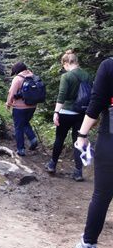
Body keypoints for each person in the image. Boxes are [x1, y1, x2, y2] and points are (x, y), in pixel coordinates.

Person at [73, 57, 113, 248]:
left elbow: (96, 103)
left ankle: (88, 245)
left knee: (102, 195)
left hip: (110, 140)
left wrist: (82, 135)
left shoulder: (109, 66)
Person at [45, 50, 91, 181]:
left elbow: (62, 96)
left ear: (66, 63)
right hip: (82, 113)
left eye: (63, 65)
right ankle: (78, 172)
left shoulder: (66, 76)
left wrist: (56, 112)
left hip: (66, 113)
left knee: (59, 138)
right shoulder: (87, 75)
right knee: (78, 141)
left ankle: (52, 165)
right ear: (77, 61)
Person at [6, 61, 39, 156]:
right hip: (32, 106)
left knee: (18, 127)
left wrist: (8, 103)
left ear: (17, 70)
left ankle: (21, 150)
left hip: (19, 108)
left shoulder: (18, 79)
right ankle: (33, 139)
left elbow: (11, 93)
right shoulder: (33, 76)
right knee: (24, 123)